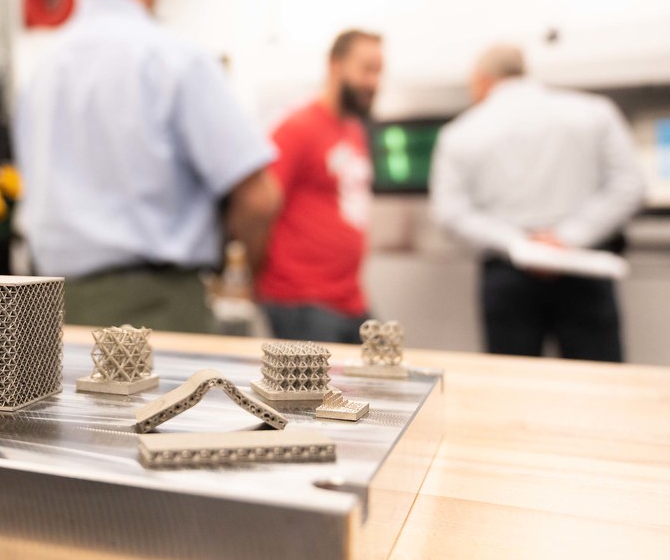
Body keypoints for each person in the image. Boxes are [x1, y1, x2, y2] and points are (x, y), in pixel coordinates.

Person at [14, 0, 278, 333]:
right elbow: (260, 198)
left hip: (48, 317)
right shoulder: (175, 59)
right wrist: (239, 275)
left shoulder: (41, 73)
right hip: (158, 312)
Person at [430, 44, 644, 361]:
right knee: (600, 387)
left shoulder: (460, 132)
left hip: (508, 275)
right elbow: (630, 185)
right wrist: (567, 238)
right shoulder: (594, 111)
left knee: (513, 390)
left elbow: (450, 212)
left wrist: (523, 244)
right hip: (583, 264)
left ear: (481, 80)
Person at [257, 30, 384, 343]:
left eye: (379, 71)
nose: (374, 82)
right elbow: (260, 207)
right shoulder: (297, 129)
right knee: (317, 393)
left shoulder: (354, 130)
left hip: (349, 296)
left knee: (386, 372)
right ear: (335, 65)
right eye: (366, 69)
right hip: (301, 299)